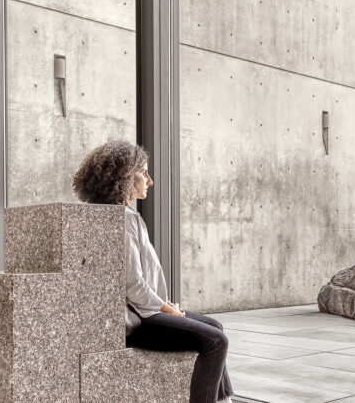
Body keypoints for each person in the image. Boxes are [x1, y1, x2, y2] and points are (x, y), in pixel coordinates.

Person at [73, 140, 234, 403]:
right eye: (144, 172)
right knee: (216, 341)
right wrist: (165, 308)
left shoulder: (116, 215)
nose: (150, 180)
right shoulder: (122, 219)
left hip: (141, 311)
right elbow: (133, 284)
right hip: (137, 320)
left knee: (215, 326)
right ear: (124, 177)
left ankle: (222, 400)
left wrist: (164, 305)